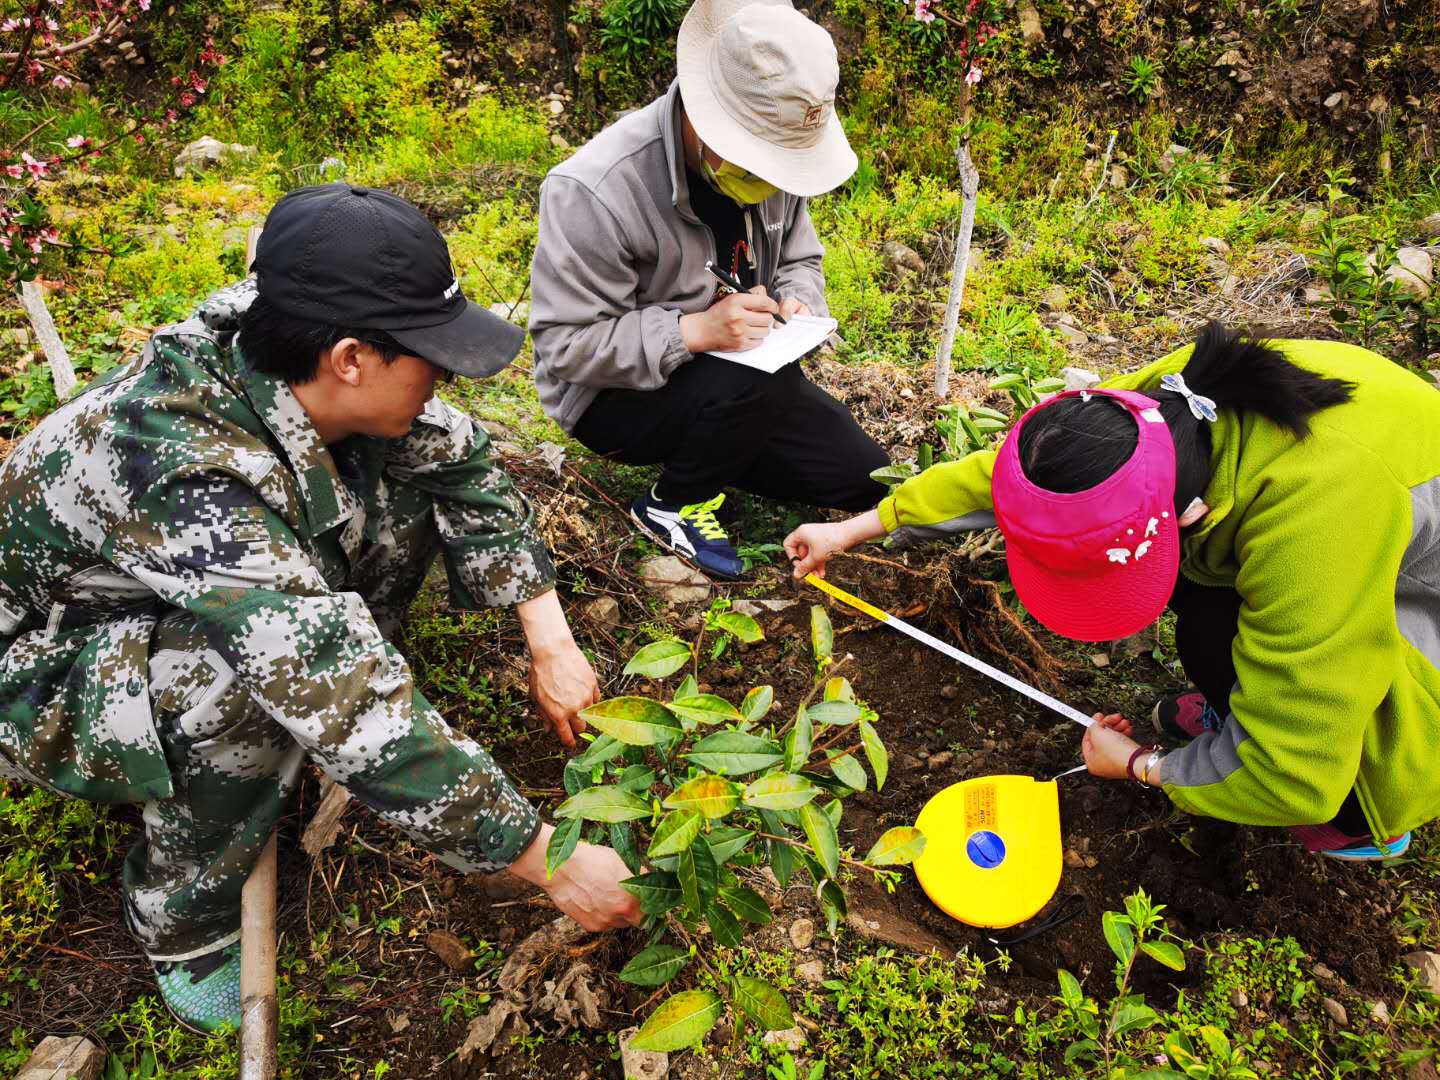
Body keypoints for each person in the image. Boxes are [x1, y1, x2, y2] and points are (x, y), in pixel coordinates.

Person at [0, 184, 640, 1036]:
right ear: (349, 357)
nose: (444, 375)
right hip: (44, 667)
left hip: (190, 595)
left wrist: (549, 638)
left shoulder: (288, 342)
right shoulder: (181, 463)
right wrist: (548, 861)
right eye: (429, 356)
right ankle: (181, 920)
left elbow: (466, 466)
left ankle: (316, 695)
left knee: (397, 486)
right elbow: (337, 693)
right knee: (236, 676)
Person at [786, 324, 1440, 860]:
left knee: (1307, 758)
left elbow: (1297, 773)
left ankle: (1370, 814)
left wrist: (1141, 766)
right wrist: (853, 530)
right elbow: (1024, 475)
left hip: (1416, 593)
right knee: (1204, 614)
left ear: (1185, 515)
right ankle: (1238, 709)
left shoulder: (1313, 526)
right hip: (1353, 532)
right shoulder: (1157, 411)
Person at [528, 0, 889, 580]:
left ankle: (719, 446)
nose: (771, 181)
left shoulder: (776, 173)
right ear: (703, 111)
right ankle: (673, 503)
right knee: (759, 378)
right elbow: (566, 347)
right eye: (759, 160)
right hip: (615, 401)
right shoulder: (596, 189)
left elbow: (800, 258)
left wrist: (800, 303)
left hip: (741, 376)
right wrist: (693, 332)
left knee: (865, 479)